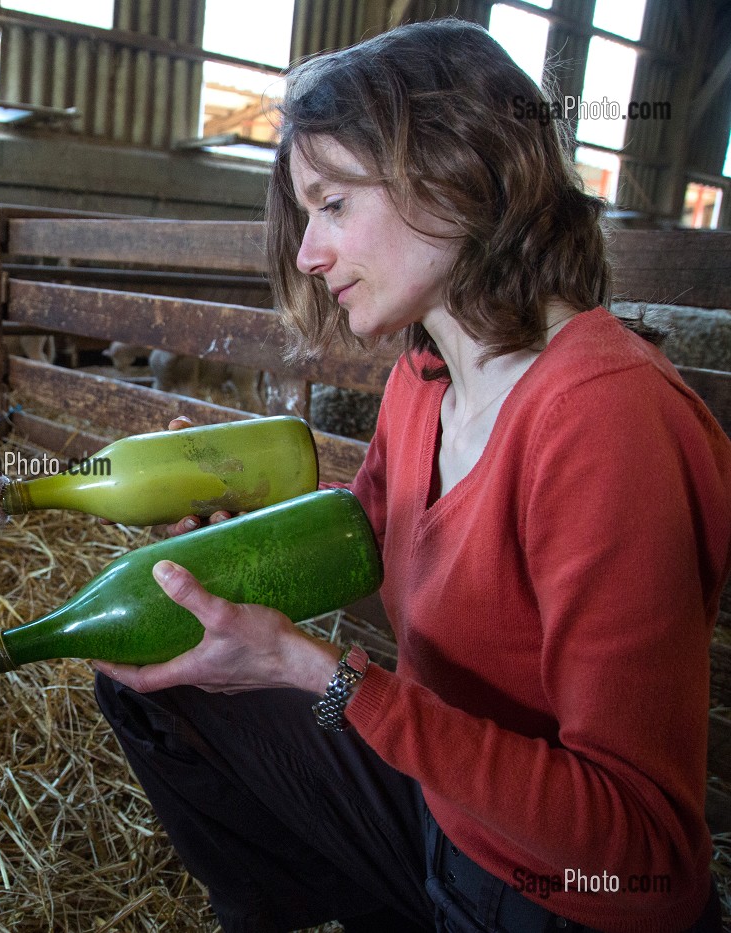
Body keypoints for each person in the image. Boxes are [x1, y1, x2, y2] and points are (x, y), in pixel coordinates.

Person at [94, 19, 731, 933]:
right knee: (149, 677)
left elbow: (638, 846)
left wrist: (319, 676)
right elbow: (368, 545)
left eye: (333, 203)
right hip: (441, 816)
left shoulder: (603, 419)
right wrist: (222, 569)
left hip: (557, 896)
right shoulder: (423, 379)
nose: (309, 254)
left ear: (453, 167)